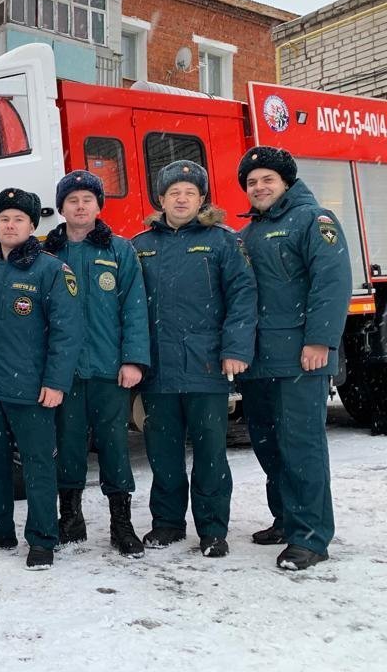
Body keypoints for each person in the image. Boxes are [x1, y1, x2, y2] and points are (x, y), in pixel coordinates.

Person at [131, 161, 256, 558]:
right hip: (159, 370)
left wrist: (235, 349)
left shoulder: (223, 241)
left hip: (207, 367)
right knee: (162, 452)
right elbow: (129, 307)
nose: (181, 198)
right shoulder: (140, 245)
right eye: (173, 192)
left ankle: (213, 529)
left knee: (210, 453)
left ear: (202, 199)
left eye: (190, 192)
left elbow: (243, 296)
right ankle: (167, 523)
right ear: (161, 199)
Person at [236, 147, 351, 570]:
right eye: (251, 182)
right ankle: (286, 519)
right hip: (258, 362)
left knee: (301, 447)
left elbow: (332, 281)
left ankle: (312, 537)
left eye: (267, 179)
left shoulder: (313, 220)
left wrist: (320, 340)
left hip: (300, 359)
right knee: (269, 447)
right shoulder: (247, 232)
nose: (259, 187)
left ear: (286, 182)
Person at [0, 188, 82, 569]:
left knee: (38, 463)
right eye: (4, 219)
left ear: (32, 225)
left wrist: (56, 382)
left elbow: (67, 331)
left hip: (31, 390)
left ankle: (43, 538)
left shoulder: (51, 270)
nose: (10, 225)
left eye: (18, 220)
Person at [43, 170, 150, 557]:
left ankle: (121, 523)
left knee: (114, 446)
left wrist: (133, 359)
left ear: (99, 206)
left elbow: (134, 308)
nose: (81, 206)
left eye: (88, 199)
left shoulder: (119, 250)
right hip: (64, 373)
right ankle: (70, 518)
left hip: (108, 369)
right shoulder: (46, 253)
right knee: (67, 445)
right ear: (62, 208)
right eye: (73, 200)